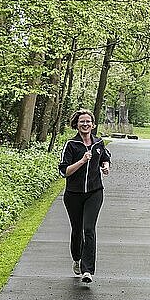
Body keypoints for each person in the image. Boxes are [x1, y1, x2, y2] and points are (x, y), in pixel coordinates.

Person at [58, 109, 111, 283]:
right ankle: (77, 258)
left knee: (89, 229)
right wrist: (82, 161)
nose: (85, 124)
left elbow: (105, 157)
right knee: (77, 230)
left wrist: (105, 166)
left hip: (95, 192)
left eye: (88, 121)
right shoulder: (71, 145)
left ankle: (87, 270)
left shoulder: (98, 143)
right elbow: (64, 171)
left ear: (93, 125)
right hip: (73, 194)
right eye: (82, 122)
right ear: (77, 124)